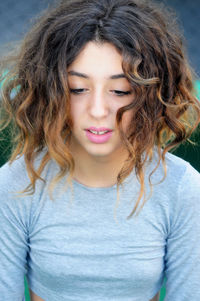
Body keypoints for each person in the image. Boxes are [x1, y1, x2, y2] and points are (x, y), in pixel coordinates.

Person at [0, 0, 200, 300]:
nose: (97, 110)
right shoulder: (16, 183)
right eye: (78, 89)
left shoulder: (183, 188)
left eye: (120, 91)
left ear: (151, 95)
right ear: (53, 91)